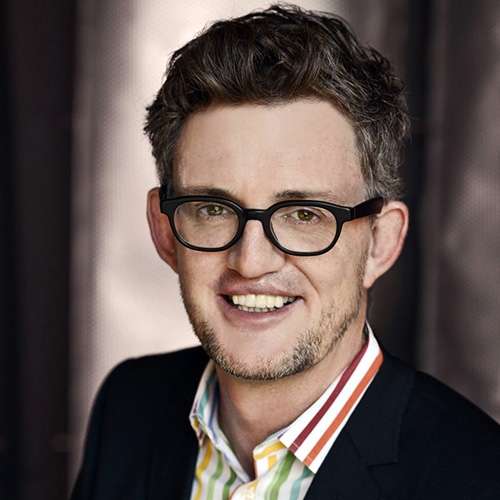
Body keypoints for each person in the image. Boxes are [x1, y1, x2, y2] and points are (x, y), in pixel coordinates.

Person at [71, 4, 500, 499]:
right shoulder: (128, 405)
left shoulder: (478, 480)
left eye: (303, 215)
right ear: (165, 231)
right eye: (214, 209)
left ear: (380, 243)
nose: (251, 262)